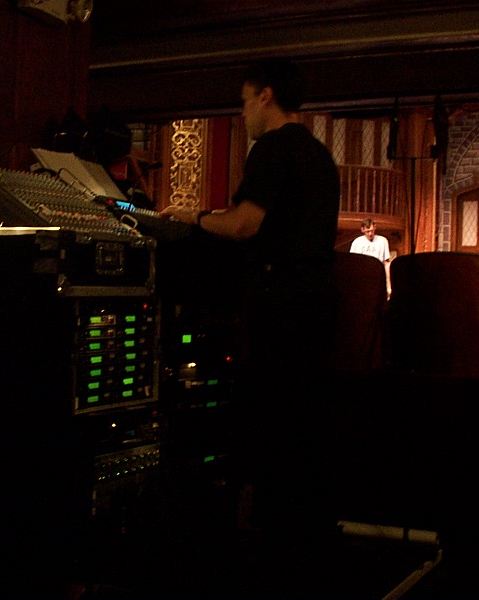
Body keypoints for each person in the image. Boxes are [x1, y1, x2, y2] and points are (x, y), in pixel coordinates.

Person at [160, 57, 341, 599]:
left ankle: (263, 552)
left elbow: (245, 225)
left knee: (271, 422)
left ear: (265, 96)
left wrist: (192, 218)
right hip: (317, 304)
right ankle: (302, 550)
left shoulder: (272, 147)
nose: (242, 114)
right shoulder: (319, 154)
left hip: (280, 306)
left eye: (243, 101)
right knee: (302, 426)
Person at [350, 217, 392, 294]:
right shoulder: (357, 242)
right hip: (362, 277)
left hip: (377, 276)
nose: (370, 234)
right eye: (367, 231)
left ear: (375, 227)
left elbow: (386, 263)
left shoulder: (383, 241)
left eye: (372, 231)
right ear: (362, 229)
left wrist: (389, 285)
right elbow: (353, 264)